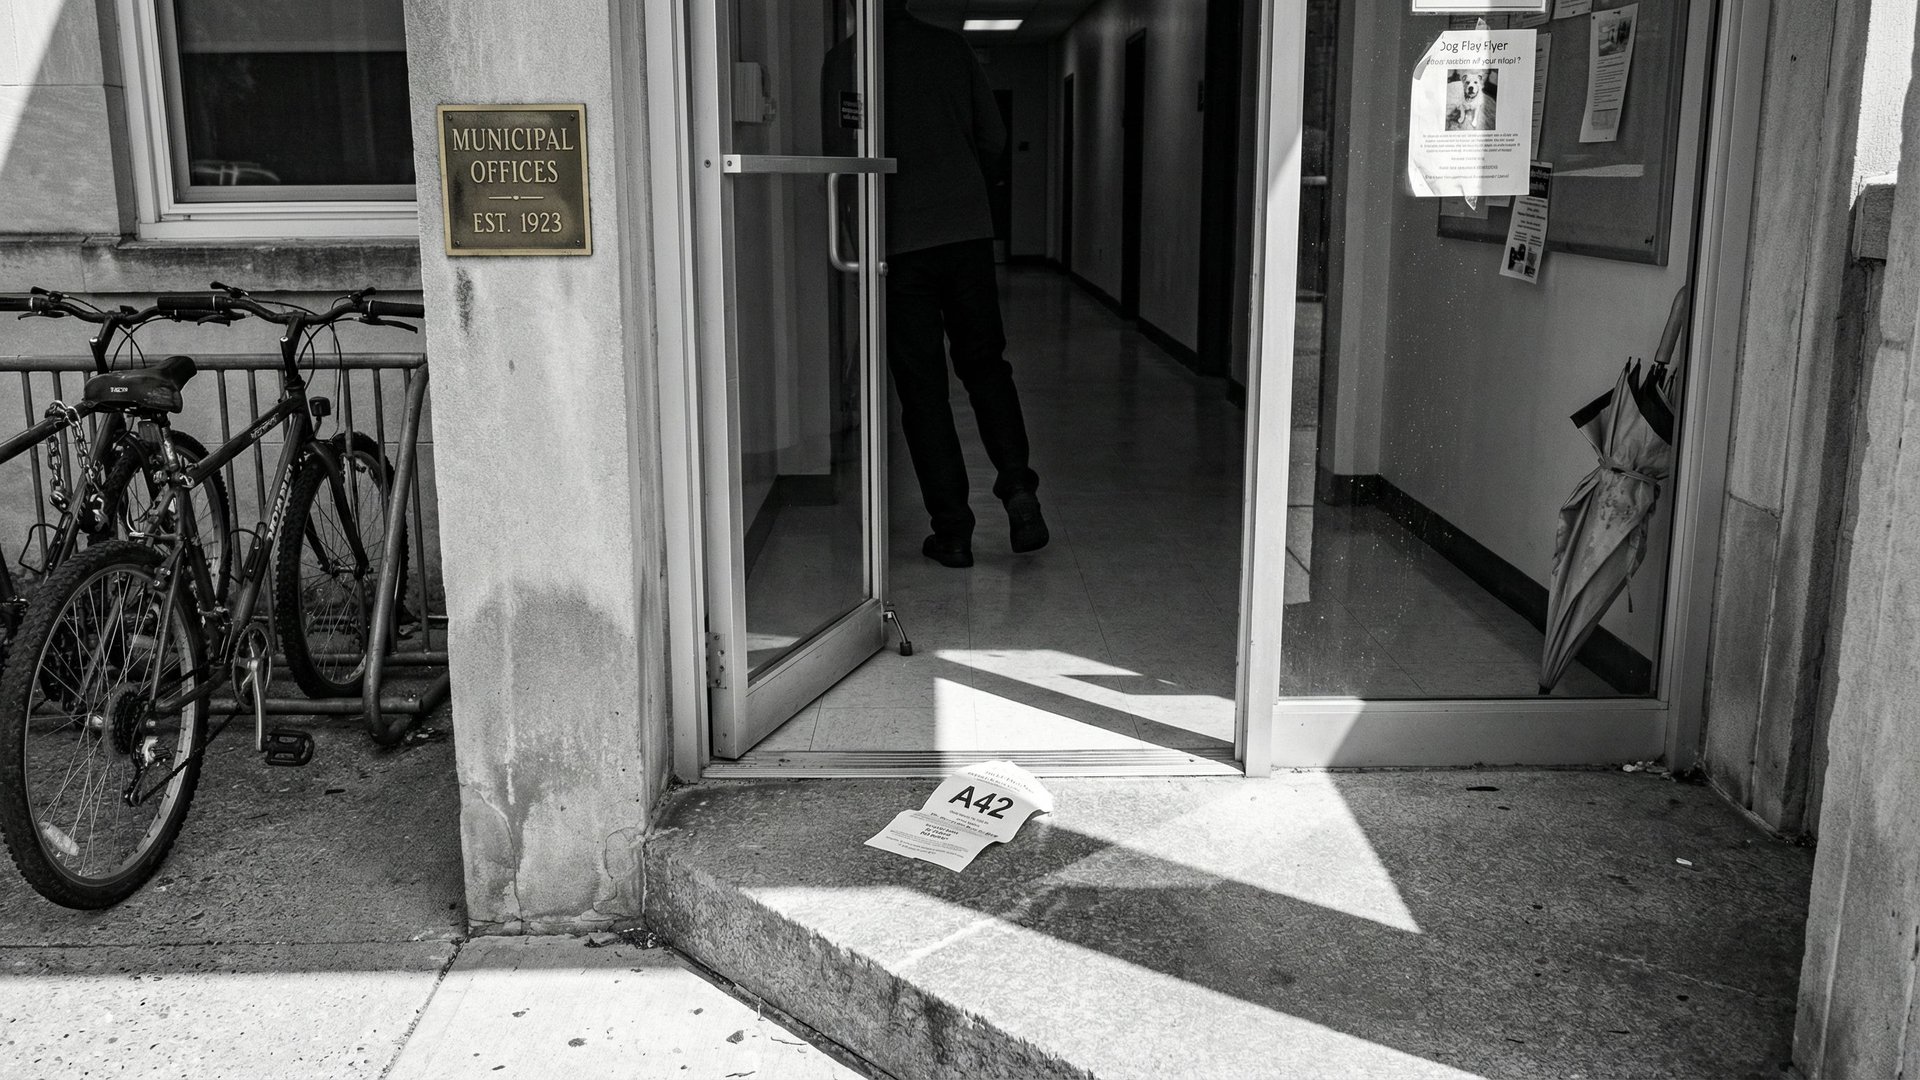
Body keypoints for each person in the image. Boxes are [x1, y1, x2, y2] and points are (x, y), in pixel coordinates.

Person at [824, 0, 1046, 569]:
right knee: (985, 364)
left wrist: (857, 240)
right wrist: (962, 180)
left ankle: (952, 532)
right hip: (967, 233)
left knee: (923, 390)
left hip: (897, 244)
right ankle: (1019, 490)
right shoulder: (951, 47)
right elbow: (994, 138)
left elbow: (842, 160)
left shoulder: (847, 63)